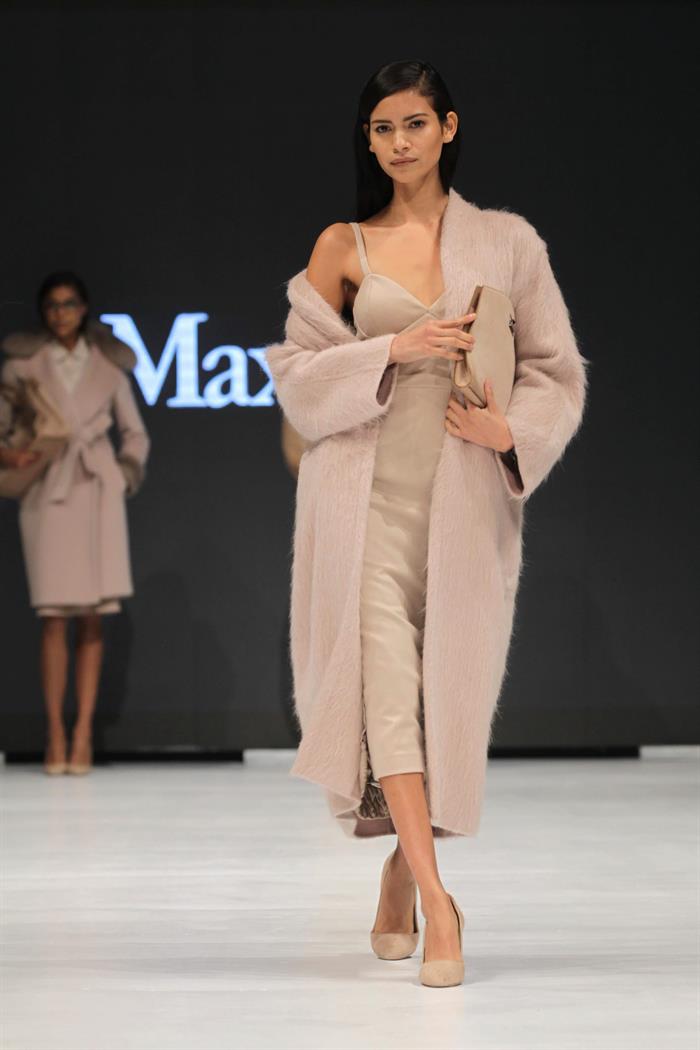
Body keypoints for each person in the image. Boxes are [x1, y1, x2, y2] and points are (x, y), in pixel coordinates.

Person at [265, 59, 589, 988]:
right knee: (386, 697)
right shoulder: (343, 246)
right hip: (360, 508)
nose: (398, 142)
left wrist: (508, 433)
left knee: (446, 698)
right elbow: (296, 378)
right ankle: (442, 905)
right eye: (381, 128)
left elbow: (556, 370)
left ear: (448, 127)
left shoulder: (508, 242)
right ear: (367, 142)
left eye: (414, 123)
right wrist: (390, 349)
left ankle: (403, 872)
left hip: (464, 507)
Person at [0, 271, 150, 776]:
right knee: (52, 617)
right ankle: (55, 733)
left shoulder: (109, 367)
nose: (60, 313)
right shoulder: (23, 366)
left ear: (84, 309)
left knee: (93, 615)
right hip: (47, 490)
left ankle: (83, 733)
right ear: (43, 312)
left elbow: (135, 434)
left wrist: (123, 474)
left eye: (68, 304)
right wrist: (13, 455)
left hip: (96, 492)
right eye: (52, 305)